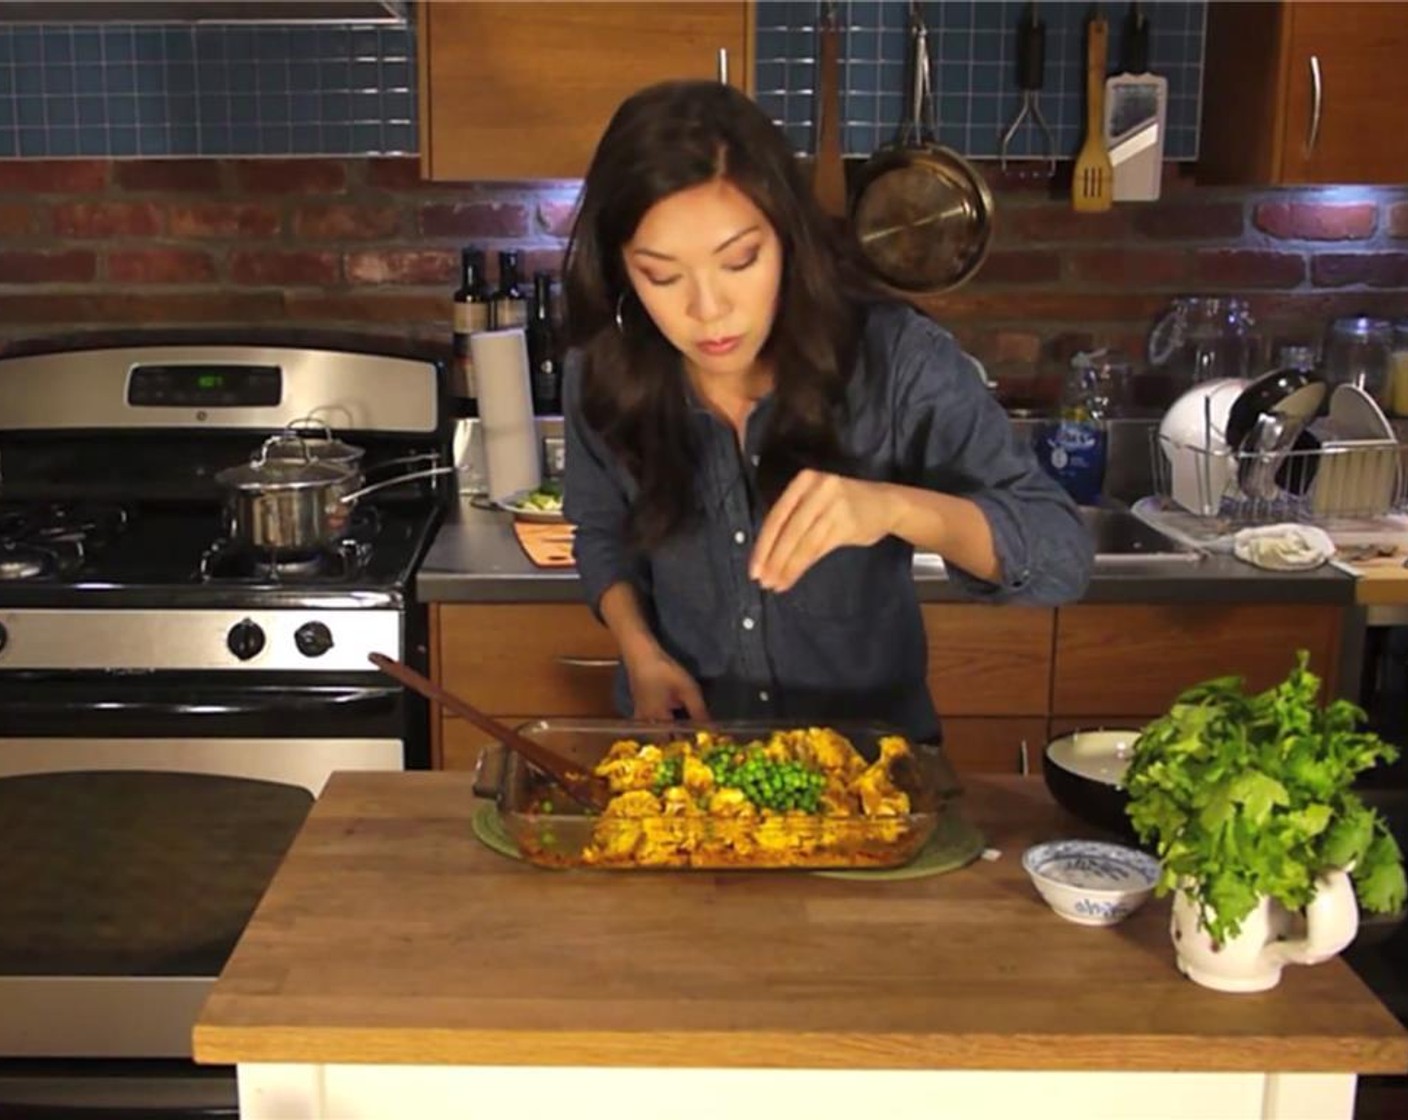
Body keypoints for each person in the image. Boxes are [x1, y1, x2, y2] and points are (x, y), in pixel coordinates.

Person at [560, 79, 1092, 746]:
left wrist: (894, 509)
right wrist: (640, 651)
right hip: (688, 771)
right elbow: (600, 530)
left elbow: (1062, 558)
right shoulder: (601, 372)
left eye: (740, 261)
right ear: (620, 270)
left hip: (873, 780)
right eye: (662, 276)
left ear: (787, 237)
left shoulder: (896, 361)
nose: (708, 310)